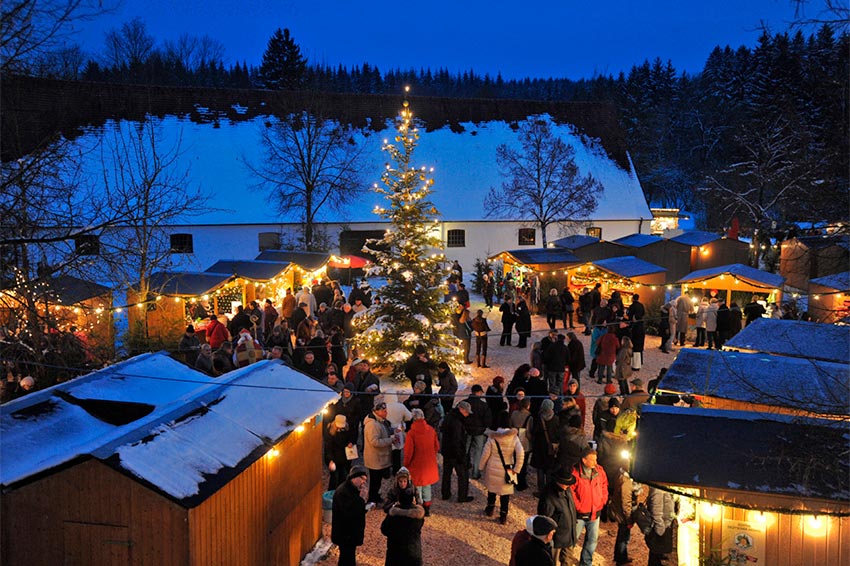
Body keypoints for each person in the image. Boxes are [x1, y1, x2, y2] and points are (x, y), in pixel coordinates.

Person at [479, 411, 524, 524]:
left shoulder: (492, 437)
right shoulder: (514, 438)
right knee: (505, 494)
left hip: (492, 467)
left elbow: (485, 453)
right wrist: (517, 470)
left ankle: (490, 509)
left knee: (492, 490)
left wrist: (481, 466)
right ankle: (503, 515)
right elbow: (520, 453)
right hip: (508, 470)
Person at [571, 447, 609, 566]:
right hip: (580, 514)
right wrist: (579, 506)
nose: (595, 462)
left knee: (592, 541)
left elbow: (604, 486)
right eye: (592, 460)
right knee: (572, 540)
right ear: (584, 460)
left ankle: (586, 563)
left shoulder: (599, 471)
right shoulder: (575, 473)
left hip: (595, 513)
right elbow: (571, 492)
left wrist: (602, 501)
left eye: (596, 459)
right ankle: (566, 560)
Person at [537, 467, 578, 566]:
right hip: (556, 538)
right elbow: (545, 518)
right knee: (552, 562)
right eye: (564, 483)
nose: (567, 485)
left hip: (568, 534)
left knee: (567, 561)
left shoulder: (567, 490)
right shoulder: (549, 495)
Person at [404, 408, 440, 516]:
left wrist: (406, 464)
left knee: (417, 487)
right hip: (429, 463)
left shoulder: (411, 433)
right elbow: (437, 447)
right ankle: (427, 508)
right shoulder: (431, 429)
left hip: (416, 464)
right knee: (427, 486)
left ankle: (419, 508)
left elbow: (408, 452)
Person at [332, 465, 370, 566]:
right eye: (362, 479)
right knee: (346, 559)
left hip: (349, 534)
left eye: (365, 480)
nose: (364, 482)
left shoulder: (352, 489)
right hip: (345, 534)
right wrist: (361, 499)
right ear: (355, 477)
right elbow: (350, 513)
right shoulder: (343, 492)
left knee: (348, 558)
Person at [609, 466, 646, 566]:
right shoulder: (626, 482)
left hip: (619, 512)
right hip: (623, 515)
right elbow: (626, 503)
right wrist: (629, 520)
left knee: (623, 535)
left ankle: (621, 557)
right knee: (623, 537)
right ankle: (620, 559)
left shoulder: (620, 476)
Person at [380, 489, 425, 566]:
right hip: (413, 551)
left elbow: (384, 529)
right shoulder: (418, 515)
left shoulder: (393, 514)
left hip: (395, 551)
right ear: (412, 500)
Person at [441, 400, 474, 503]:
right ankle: (462, 496)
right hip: (455, 453)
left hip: (446, 451)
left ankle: (445, 494)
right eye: (466, 412)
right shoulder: (457, 422)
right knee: (463, 475)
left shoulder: (448, 417)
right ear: (461, 409)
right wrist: (460, 455)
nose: (467, 415)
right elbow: (457, 440)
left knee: (447, 473)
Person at [364, 400, 395, 504]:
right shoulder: (372, 425)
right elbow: (375, 442)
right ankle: (372, 500)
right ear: (377, 411)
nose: (386, 413)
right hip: (375, 459)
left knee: (377, 481)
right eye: (384, 411)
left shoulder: (380, 421)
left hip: (378, 458)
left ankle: (375, 497)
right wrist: (390, 440)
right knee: (375, 482)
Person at [529, 398, 559, 492]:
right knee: (549, 469)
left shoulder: (539, 418)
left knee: (540, 470)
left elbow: (534, 432)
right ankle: (549, 490)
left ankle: (541, 490)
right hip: (551, 447)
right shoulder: (556, 419)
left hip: (539, 447)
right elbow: (558, 433)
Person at [464, 384, 491, 480]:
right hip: (479, 432)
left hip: (466, 431)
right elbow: (488, 420)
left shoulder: (464, 403)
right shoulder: (484, 405)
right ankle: (475, 472)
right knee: (478, 452)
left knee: (465, 450)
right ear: (479, 392)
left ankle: (464, 469)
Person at [646, 486, 676, 566]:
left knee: (657, 549)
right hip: (661, 524)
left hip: (663, 523)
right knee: (655, 548)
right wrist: (660, 528)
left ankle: (657, 562)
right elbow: (656, 509)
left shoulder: (662, 487)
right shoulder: (658, 489)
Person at [325, 414, 356, 489]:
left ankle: (341, 492)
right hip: (335, 459)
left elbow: (352, 437)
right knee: (334, 478)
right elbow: (328, 448)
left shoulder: (348, 429)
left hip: (344, 458)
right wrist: (330, 460)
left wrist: (350, 442)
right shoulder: (330, 432)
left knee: (343, 476)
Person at [509, 397, 533, 491]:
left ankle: (513, 480)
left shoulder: (514, 413)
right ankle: (521, 483)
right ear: (528, 405)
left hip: (514, 439)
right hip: (525, 442)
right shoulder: (529, 416)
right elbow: (529, 432)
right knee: (523, 463)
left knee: (514, 461)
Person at [626, 294, 646, 369]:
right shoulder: (641, 305)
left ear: (632, 299)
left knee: (634, 345)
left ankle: (634, 364)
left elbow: (629, 314)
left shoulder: (632, 306)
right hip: (640, 327)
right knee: (639, 346)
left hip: (634, 327)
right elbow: (644, 313)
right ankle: (639, 363)